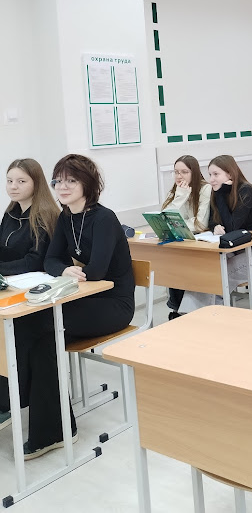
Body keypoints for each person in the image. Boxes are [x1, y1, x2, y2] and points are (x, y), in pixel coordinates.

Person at [0, 158, 76, 459]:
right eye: (9, 181)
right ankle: (6, 402)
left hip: (39, 298)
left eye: (21, 181)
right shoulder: (10, 213)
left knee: (29, 338)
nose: (13, 187)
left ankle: (44, 423)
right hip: (13, 291)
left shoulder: (45, 215)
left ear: (36, 183)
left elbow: (36, 261)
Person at [45, 154, 135, 341]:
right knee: (35, 318)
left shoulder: (104, 218)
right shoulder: (66, 217)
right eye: (58, 181)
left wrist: (70, 273)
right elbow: (50, 260)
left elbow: (96, 271)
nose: (62, 186)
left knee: (45, 323)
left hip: (114, 303)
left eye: (71, 180)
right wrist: (64, 270)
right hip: (85, 295)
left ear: (87, 183)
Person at [178, 155, 252, 313]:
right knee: (203, 272)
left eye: (216, 174)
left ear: (230, 173)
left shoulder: (246, 190)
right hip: (233, 253)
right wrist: (215, 226)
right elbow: (212, 220)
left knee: (217, 276)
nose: (211, 179)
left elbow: (232, 226)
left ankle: (204, 315)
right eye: (210, 174)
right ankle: (188, 315)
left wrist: (221, 194)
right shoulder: (217, 192)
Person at [161, 155, 211, 319]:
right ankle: (177, 309)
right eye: (176, 172)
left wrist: (178, 223)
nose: (179, 176)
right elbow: (165, 220)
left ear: (194, 173)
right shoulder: (176, 191)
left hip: (202, 243)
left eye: (184, 172)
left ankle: (185, 311)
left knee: (184, 264)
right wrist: (180, 197)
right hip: (182, 241)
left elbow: (200, 224)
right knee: (172, 262)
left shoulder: (205, 189)